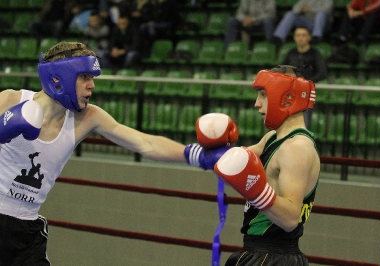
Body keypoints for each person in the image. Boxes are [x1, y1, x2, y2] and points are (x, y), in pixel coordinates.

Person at [0, 41, 188, 265]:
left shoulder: (88, 117)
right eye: (84, 77)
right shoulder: (10, 100)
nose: (92, 86)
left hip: (27, 234)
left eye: (92, 78)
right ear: (59, 77)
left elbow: (146, 143)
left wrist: (193, 154)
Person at [185, 65, 320, 265]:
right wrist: (204, 151)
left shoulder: (296, 149)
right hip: (258, 253)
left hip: (275, 258)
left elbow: (291, 219)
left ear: (286, 98)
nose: (257, 104)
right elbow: (235, 160)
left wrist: (256, 191)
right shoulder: (273, 138)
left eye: (263, 95)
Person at [281, 27, 327, 129]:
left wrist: (306, 82)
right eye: (298, 35)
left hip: (306, 93)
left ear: (309, 37)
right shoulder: (291, 53)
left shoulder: (315, 54)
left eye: (303, 35)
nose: (301, 38)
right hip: (291, 92)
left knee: (304, 123)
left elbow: (322, 72)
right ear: (294, 38)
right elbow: (282, 69)